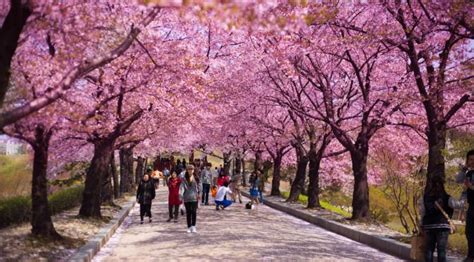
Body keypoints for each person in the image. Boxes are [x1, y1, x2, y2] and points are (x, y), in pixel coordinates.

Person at [422, 176, 464, 262]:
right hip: (442, 226)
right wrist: (464, 195)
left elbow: (422, 212)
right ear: (442, 186)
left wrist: (421, 224)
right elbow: (458, 205)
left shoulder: (426, 198)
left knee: (429, 249)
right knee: (441, 250)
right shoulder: (447, 197)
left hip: (429, 226)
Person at [456, 149, 474, 261]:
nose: (472, 162)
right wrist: (464, 169)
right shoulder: (469, 173)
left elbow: (469, 187)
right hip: (471, 207)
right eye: (470, 159)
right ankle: (470, 255)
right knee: (469, 232)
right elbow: (458, 180)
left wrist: (471, 187)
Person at [179, 165, 200, 233]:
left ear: (193, 170)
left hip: (194, 197)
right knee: (188, 212)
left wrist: (199, 193)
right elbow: (182, 187)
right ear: (187, 170)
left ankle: (193, 226)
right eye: (189, 169)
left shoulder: (196, 178)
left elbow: (199, 186)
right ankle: (189, 226)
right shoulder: (184, 179)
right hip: (187, 197)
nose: (190, 170)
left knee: (194, 212)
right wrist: (180, 194)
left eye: (192, 169)